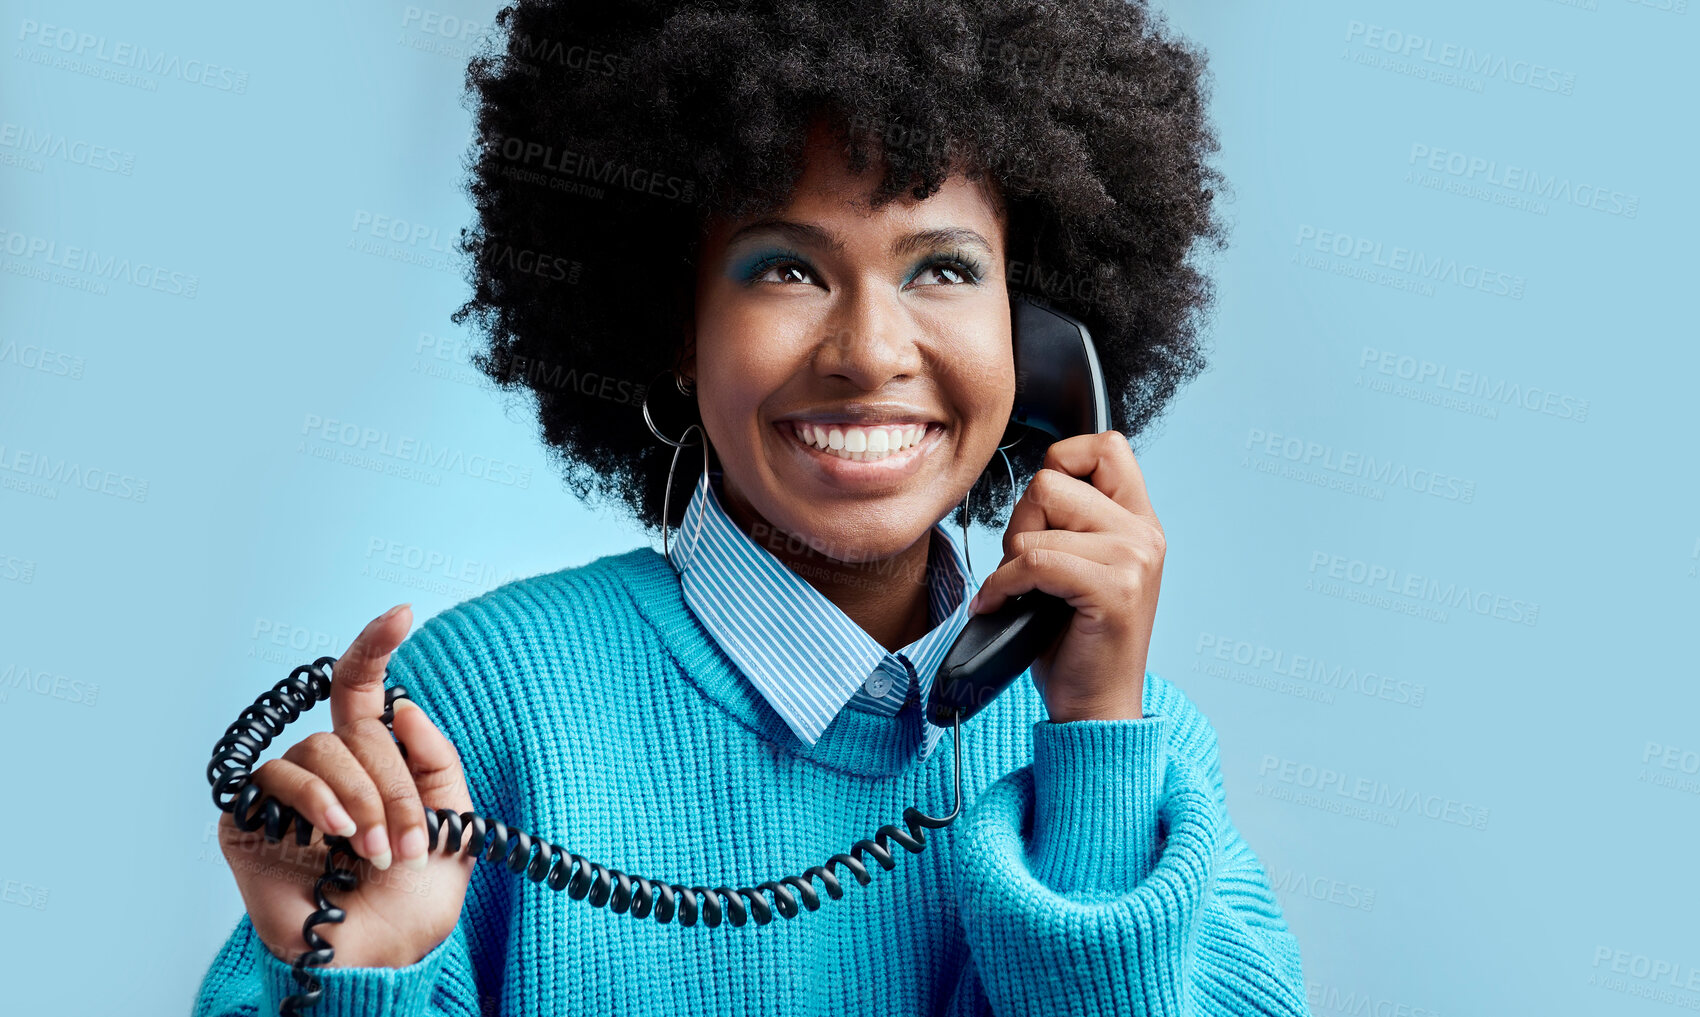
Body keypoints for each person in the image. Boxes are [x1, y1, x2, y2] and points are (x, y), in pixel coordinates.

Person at [195, 1, 1310, 1013]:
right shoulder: (467, 719)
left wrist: (1094, 766)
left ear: (1041, 339)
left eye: (945, 271)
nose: (872, 354)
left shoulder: (1135, 754)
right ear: (673, 326)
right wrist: (359, 973)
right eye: (786, 268)